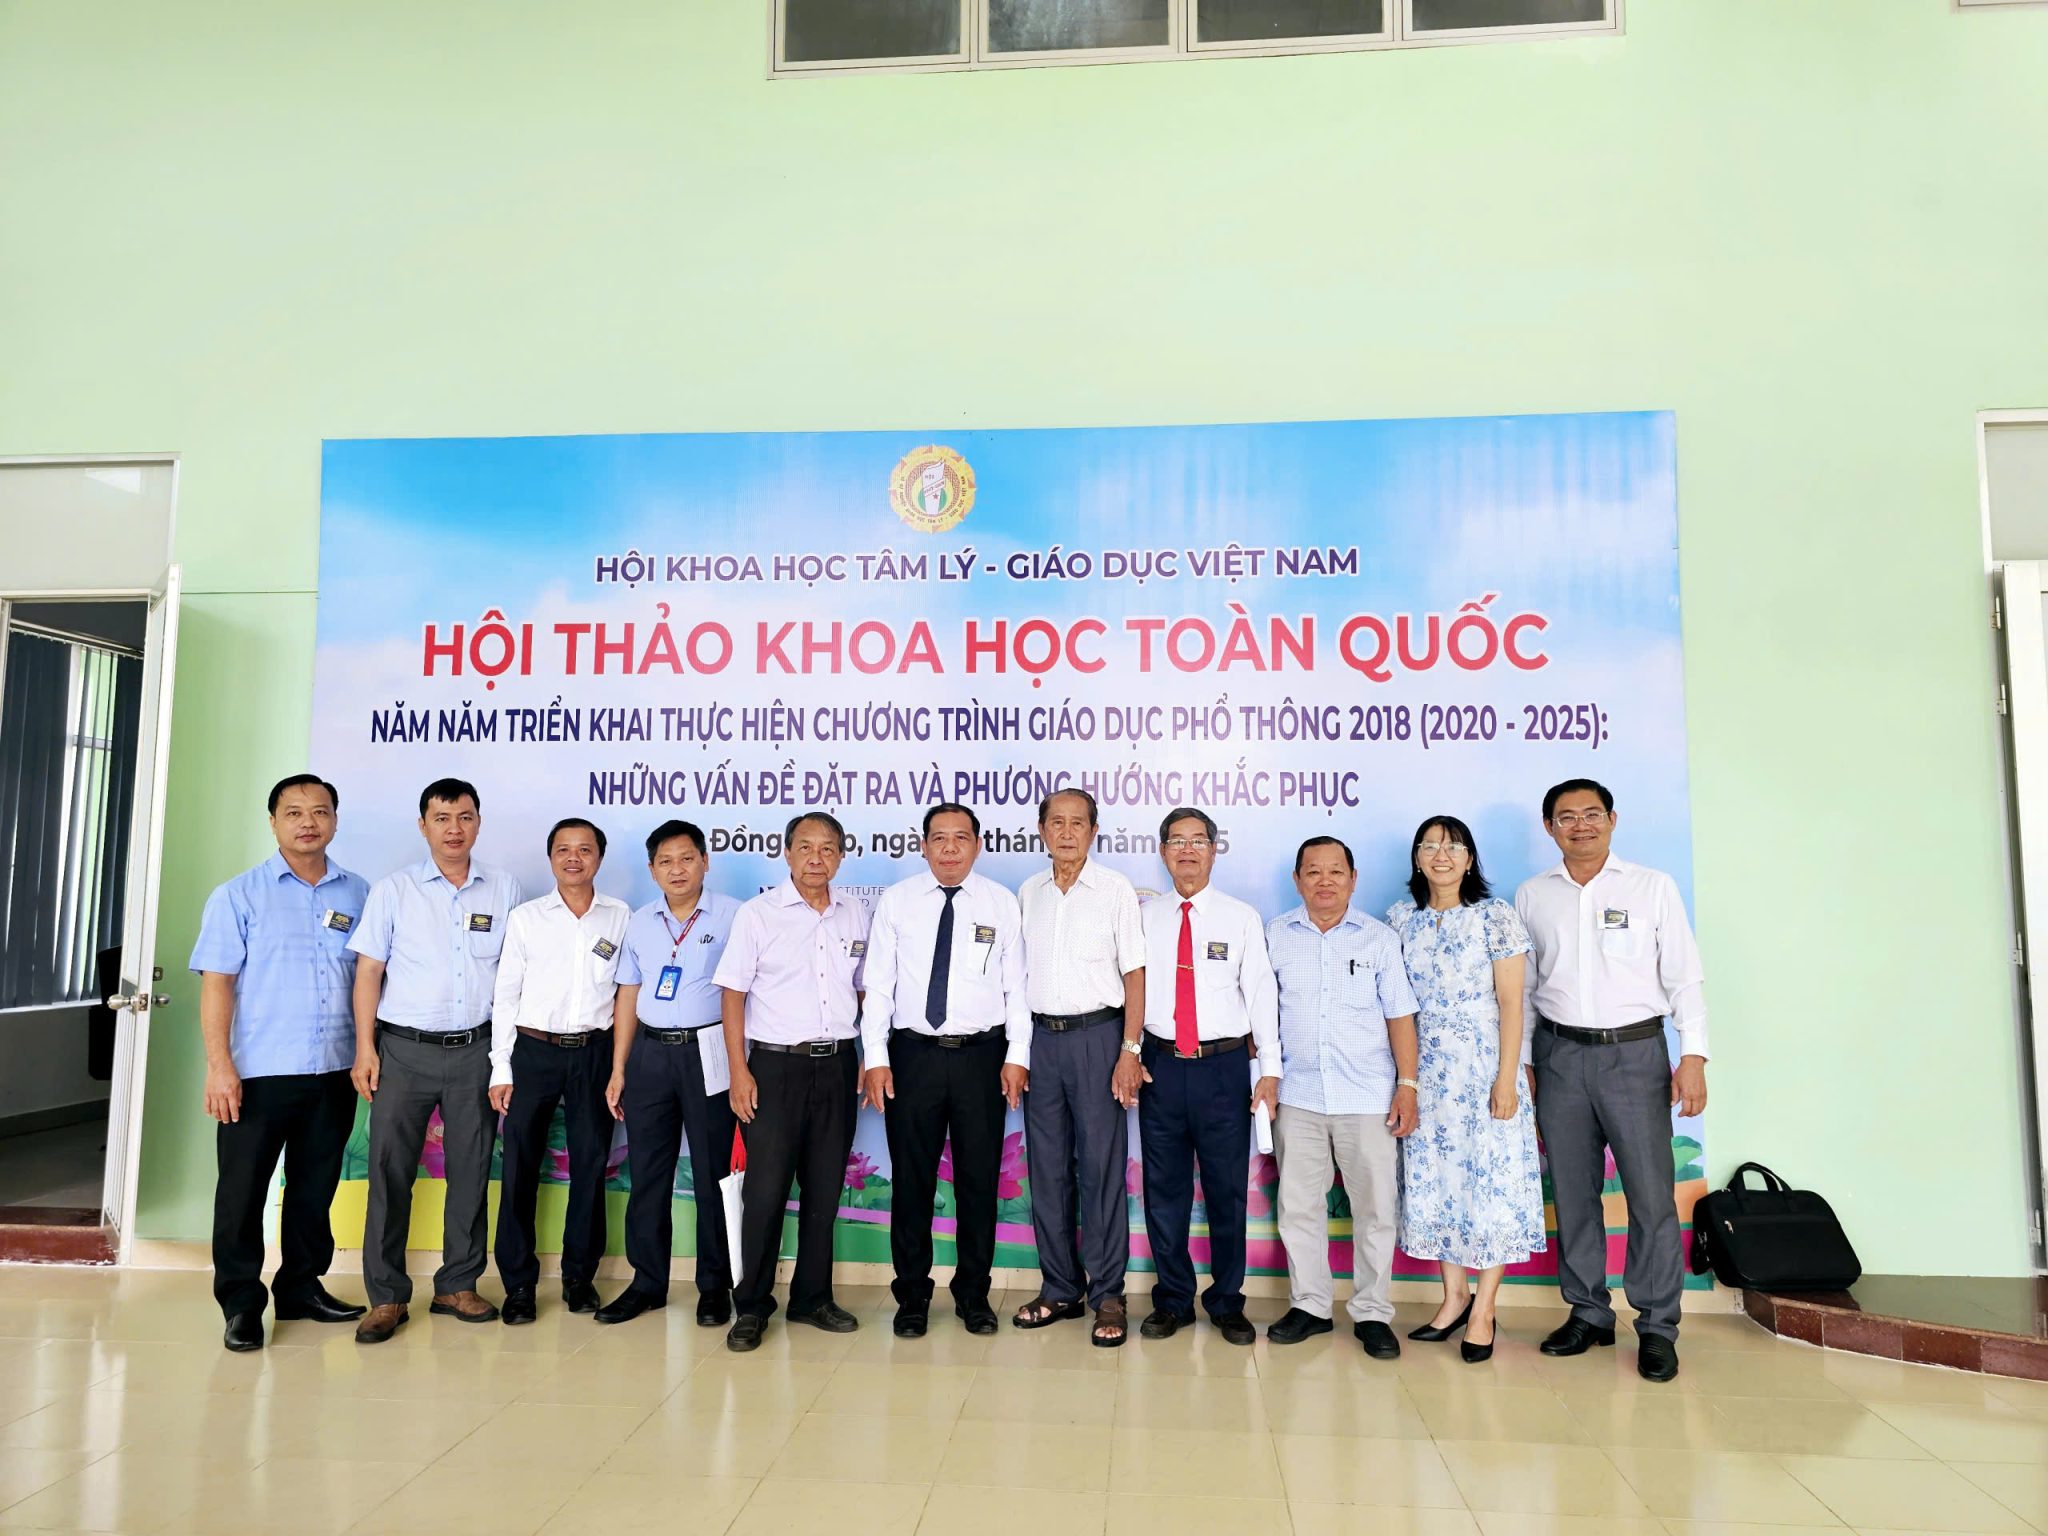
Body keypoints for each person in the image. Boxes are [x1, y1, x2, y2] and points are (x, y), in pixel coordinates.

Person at [1516, 778, 1707, 1384]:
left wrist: (1694, 1055)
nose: (1581, 825)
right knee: (1574, 1194)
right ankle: (1589, 1312)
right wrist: (1525, 1063)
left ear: (1612, 820)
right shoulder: (1532, 895)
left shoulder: (1652, 887)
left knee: (1650, 1196)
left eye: (1592, 814)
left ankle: (1657, 1326)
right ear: (1550, 827)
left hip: (1635, 1055)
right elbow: (1524, 987)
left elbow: (1684, 976)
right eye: (1567, 817)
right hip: (1559, 1055)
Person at [190, 774, 369, 1352]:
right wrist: (219, 1066)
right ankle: (241, 1304)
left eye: (320, 811)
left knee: (315, 1189)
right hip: (259, 1073)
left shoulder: (358, 894)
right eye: (294, 812)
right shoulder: (238, 895)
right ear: (273, 822)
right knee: (242, 1193)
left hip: (334, 1069)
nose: (308, 822)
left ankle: (301, 1288)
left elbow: (370, 979)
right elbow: (217, 984)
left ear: (335, 820)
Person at [347, 778, 523, 1343]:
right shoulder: (394, 890)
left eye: (464, 817)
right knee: (389, 1171)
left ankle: (457, 1284)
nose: (454, 829)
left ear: (478, 823)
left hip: (476, 1050)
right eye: (442, 818)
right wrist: (366, 1048)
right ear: (423, 825)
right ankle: (386, 1296)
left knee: (471, 1169)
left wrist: (504, 1057)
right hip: (404, 1051)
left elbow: (514, 975)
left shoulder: (504, 888)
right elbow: (369, 972)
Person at [860, 803, 1029, 1338]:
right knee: (912, 1182)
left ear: (978, 844)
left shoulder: (1001, 903)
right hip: (913, 1057)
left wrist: (1018, 1055)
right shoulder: (898, 902)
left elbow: (1017, 987)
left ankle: (973, 1294)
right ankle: (912, 1294)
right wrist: (876, 1057)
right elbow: (878, 985)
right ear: (923, 846)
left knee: (979, 1182)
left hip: (983, 1057)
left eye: (961, 837)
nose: (950, 848)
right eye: (939, 838)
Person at [1386, 816, 1546, 1365]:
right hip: (1424, 1076)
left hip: (1483, 1072)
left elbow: (1512, 1004)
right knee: (1438, 1183)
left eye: (1453, 846)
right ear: (1417, 857)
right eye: (1429, 845)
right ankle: (1454, 1298)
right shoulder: (1400, 919)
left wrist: (1508, 1077)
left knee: (1489, 1184)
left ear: (1470, 858)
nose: (1441, 855)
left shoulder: (1494, 917)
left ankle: (1485, 1309)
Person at [713, 811, 870, 1352]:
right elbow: (732, 994)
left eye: (827, 849)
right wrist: (739, 1070)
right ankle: (752, 1305)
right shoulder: (758, 915)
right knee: (765, 1192)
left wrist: (867, 1056)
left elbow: (863, 989)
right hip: (774, 1069)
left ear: (841, 857)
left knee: (825, 1189)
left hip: (838, 1065)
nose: (816, 859)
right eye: (805, 847)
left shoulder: (855, 913)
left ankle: (812, 1298)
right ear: (787, 853)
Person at [1265, 835, 1419, 1361]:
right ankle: (1310, 1306)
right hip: (1299, 1095)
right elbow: (1261, 1013)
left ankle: (1372, 1312)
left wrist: (1407, 1086)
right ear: (1297, 880)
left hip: (1368, 1096)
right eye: (1313, 872)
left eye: (1335, 871)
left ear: (1353, 879)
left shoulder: (1379, 939)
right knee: (1298, 1208)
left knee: (1375, 1210)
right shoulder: (1276, 936)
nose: (1324, 881)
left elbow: (1400, 1016)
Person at [1134, 808, 1280, 1347]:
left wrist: (1269, 1070)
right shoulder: (1143, 918)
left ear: (1215, 850)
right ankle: (1173, 1300)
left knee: (1226, 1191)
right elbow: (1129, 991)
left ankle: (1226, 1301)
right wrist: (1130, 1052)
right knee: (1164, 1191)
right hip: (1160, 1067)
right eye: (1177, 841)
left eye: (1198, 841)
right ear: (1163, 851)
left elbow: (1261, 995)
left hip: (1223, 1069)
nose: (1188, 850)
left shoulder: (1240, 918)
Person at [1013, 787, 1146, 1347]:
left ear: (1093, 831)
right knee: (1047, 1170)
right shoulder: (1029, 892)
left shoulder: (1115, 890)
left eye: (1078, 823)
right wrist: (1018, 1054)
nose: (1066, 833)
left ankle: (1108, 1293)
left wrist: (1130, 1050)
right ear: (1042, 830)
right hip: (1042, 1041)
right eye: (1057, 823)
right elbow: (1017, 979)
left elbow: (1135, 974)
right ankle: (1060, 1287)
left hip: (1099, 1039)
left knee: (1100, 1169)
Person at [596, 818, 742, 1326]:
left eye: (686, 859)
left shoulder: (735, 916)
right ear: (652, 869)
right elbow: (628, 994)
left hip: (710, 1051)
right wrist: (619, 1067)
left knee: (712, 1173)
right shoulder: (640, 922)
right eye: (665, 861)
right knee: (648, 1173)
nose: (677, 869)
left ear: (705, 861)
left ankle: (714, 1285)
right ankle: (647, 1282)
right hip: (651, 1054)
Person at [487, 818, 629, 1325]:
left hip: (594, 1052)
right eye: (564, 849)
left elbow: (625, 994)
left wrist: (618, 1066)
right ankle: (518, 1285)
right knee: (519, 1167)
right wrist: (500, 1067)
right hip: (533, 1052)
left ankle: (579, 1278)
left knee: (591, 1164)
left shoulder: (620, 917)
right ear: (551, 858)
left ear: (599, 858)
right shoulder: (526, 918)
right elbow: (505, 994)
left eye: (584, 849)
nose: (574, 858)